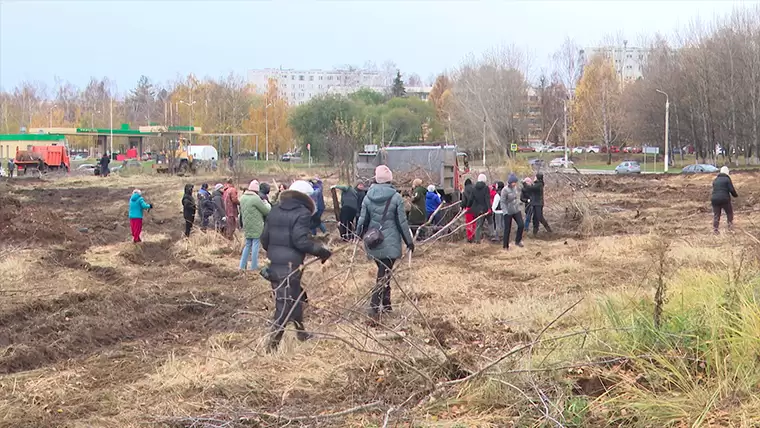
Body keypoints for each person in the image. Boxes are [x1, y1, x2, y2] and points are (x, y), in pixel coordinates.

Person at [261, 180, 332, 352]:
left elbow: (264, 239)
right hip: (290, 266)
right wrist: (322, 252)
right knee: (285, 305)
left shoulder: (275, 210)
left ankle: (301, 333)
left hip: (275, 264)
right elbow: (300, 241)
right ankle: (272, 346)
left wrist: (275, 254)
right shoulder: (302, 213)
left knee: (297, 297)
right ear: (306, 197)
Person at [357, 165, 414, 320]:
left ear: (376, 179)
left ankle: (387, 304)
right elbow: (402, 222)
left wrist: (358, 236)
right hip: (390, 243)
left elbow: (362, 220)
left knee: (384, 272)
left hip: (373, 242)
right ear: (390, 180)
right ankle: (374, 307)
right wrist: (409, 242)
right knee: (383, 274)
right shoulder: (396, 198)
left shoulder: (368, 197)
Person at [239, 180, 271, 270]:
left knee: (248, 244)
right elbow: (266, 210)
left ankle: (242, 266)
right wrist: (267, 203)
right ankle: (253, 266)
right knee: (255, 245)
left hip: (247, 225)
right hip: (256, 226)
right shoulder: (255, 199)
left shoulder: (242, 198)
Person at [711, 166, 738, 233]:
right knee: (729, 213)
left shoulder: (715, 180)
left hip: (714, 199)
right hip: (724, 199)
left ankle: (715, 229)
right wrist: (735, 195)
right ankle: (730, 227)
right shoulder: (727, 179)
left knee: (716, 214)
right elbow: (731, 189)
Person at [501, 174, 525, 249]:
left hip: (516, 209)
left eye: (515, 182)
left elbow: (517, 197)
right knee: (507, 229)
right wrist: (505, 212)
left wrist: (519, 203)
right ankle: (505, 246)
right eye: (514, 182)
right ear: (510, 182)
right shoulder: (505, 190)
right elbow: (502, 202)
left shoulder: (515, 188)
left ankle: (518, 240)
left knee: (521, 225)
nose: (515, 184)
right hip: (508, 211)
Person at [466, 174, 492, 243]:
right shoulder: (486, 188)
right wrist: (489, 208)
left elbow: (471, 199)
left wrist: (468, 207)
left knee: (478, 225)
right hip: (486, 208)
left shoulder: (474, 188)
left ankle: (477, 240)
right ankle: (493, 236)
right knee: (490, 222)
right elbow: (487, 198)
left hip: (478, 210)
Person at [462, 178, 476, 242]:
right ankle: (474, 235)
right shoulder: (475, 188)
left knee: (469, 223)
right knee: (474, 222)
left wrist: (462, 207)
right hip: (475, 208)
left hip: (468, 209)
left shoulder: (465, 190)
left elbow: (464, 201)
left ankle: (470, 237)